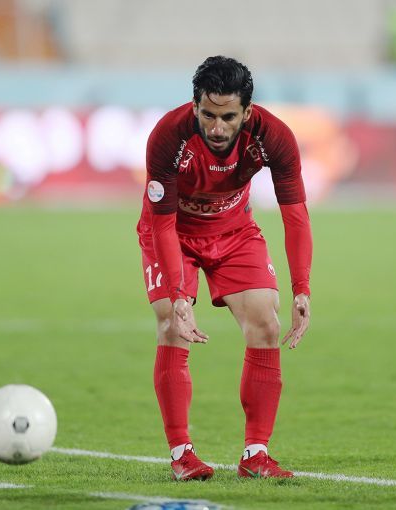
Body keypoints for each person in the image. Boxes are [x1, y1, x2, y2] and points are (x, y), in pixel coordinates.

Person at [136, 56, 313, 481]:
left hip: (234, 231)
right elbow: (163, 224)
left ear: (247, 112)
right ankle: (182, 453)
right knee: (171, 322)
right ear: (194, 105)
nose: (216, 128)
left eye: (228, 117)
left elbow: (295, 215)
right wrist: (179, 293)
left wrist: (301, 288)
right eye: (208, 115)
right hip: (173, 232)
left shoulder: (274, 137)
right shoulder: (168, 136)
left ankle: (256, 455)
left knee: (266, 324)